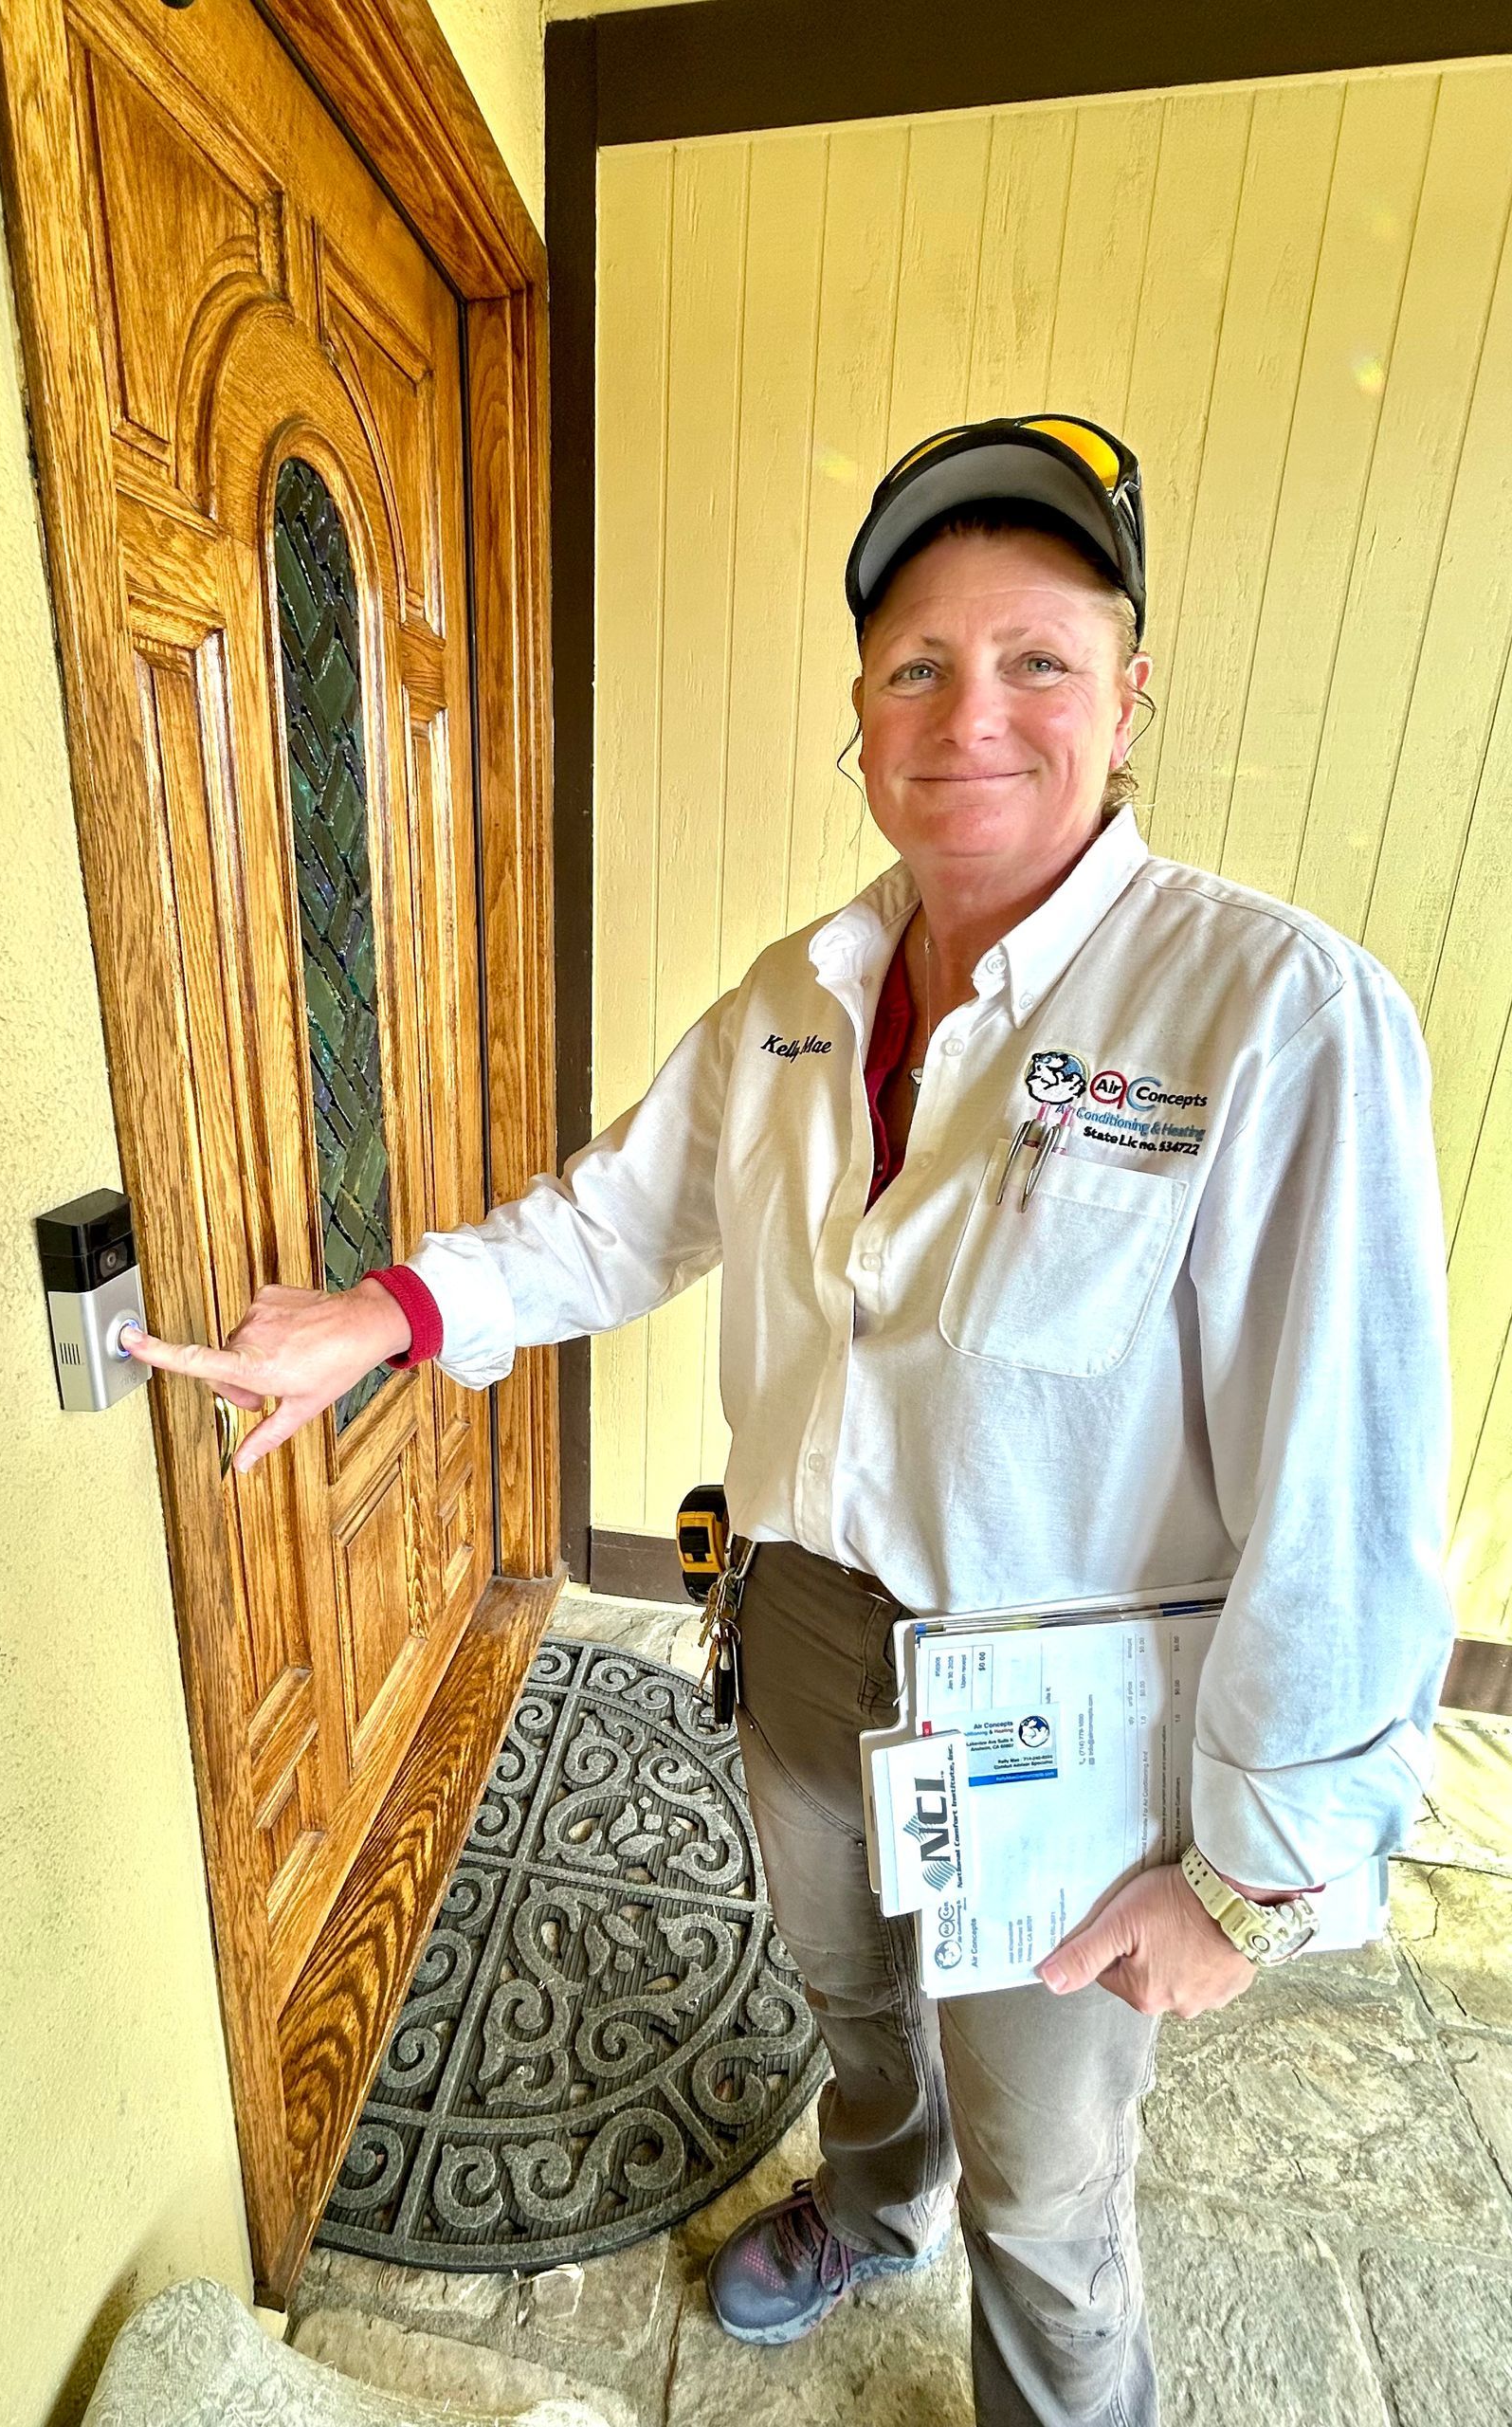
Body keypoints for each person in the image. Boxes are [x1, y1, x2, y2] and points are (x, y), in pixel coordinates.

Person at [122, 414, 1454, 2425]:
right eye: (919, 664)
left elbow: (1345, 1503)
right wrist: (384, 1316)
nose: (971, 712)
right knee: (846, 1994)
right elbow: (618, 1214)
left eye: (1036, 661)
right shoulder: (797, 996)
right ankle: (870, 2192)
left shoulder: (1274, 1014)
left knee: (1054, 2170)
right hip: (807, 1632)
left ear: (1128, 695)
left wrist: (1249, 1876)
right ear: (860, 712)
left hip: (1069, 1726)